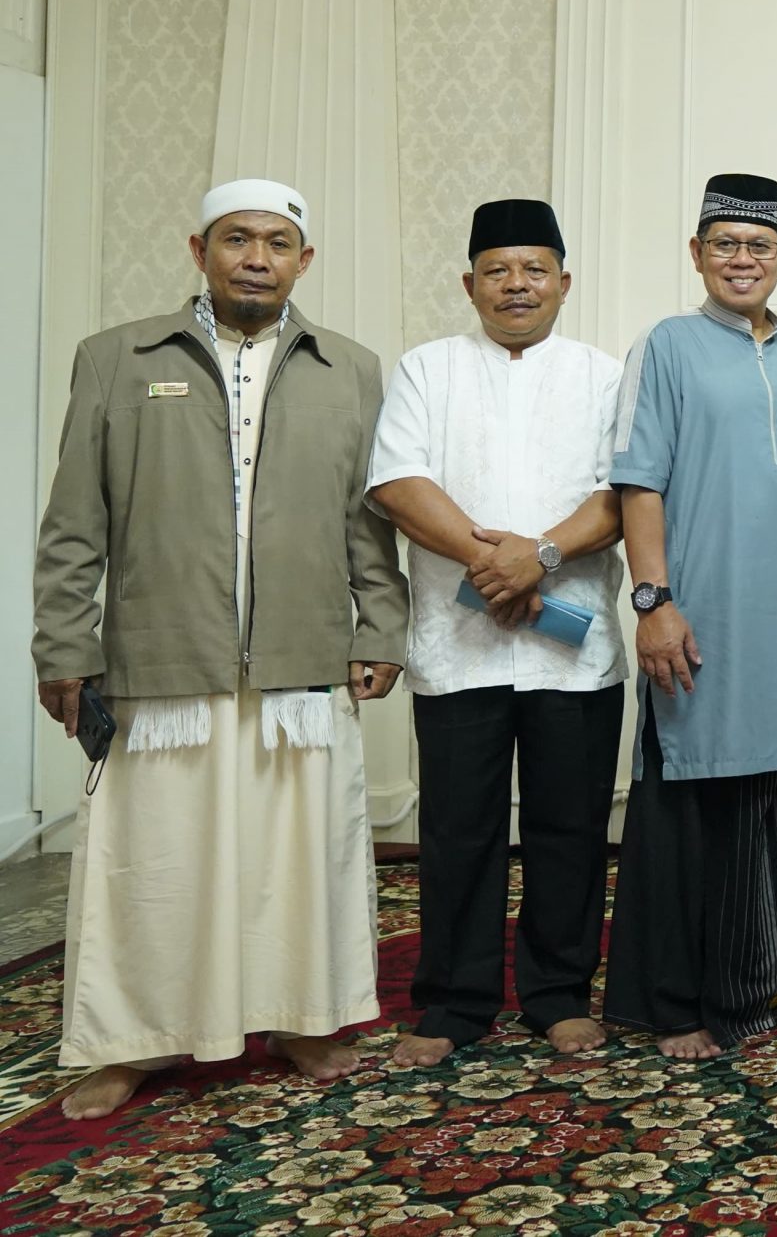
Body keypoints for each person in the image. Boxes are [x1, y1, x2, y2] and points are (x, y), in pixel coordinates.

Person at [32, 179, 407, 1120]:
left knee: (299, 854)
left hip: (302, 656)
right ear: (198, 248)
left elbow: (371, 520)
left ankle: (304, 1015)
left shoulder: (352, 369)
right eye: (237, 239)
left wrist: (381, 626)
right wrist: (63, 646)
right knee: (153, 862)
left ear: (303, 261)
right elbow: (75, 521)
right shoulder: (117, 359)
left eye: (277, 243)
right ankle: (133, 1042)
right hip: (163, 659)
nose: (256, 258)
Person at [367, 199, 628, 1067]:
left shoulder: (602, 374)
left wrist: (541, 558)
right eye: (497, 270)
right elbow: (399, 482)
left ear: (563, 280)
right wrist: (496, 564)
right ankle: (452, 1004)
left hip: (573, 644)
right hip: (458, 642)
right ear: (469, 282)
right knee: (458, 830)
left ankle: (558, 995)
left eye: (534, 269)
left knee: (570, 828)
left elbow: (622, 492)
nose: (517, 285)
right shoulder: (427, 369)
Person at [603, 174, 777, 1060]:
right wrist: (654, 601)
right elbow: (638, 482)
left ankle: (771, 987)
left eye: (758, 247)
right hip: (697, 612)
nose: (741, 260)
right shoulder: (664, 346)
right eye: (723, 245)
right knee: (692, 801)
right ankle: (677, 1003)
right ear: (697, 254)